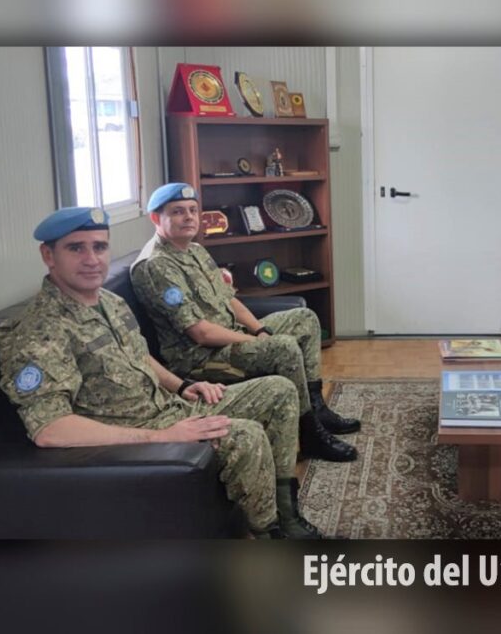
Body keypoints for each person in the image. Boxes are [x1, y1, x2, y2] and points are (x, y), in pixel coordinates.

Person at [0, 207, 320, 539]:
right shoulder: (38, 330)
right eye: (76, 248)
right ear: (48, 255)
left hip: (167, 406)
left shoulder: (110, 302)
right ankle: (268, 533)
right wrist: (162, 437)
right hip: (133, 433)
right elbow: (50, 429)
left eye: (99, 246)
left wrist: (182, 386)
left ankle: (287, 515)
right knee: (245, 436)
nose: (92, 259)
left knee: (278, 391)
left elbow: (139, 356)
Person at [130, 183, 358, 464]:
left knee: (304, 319)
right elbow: (200, 333)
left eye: (192, 210)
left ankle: (317, 409)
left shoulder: (194, 250)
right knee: (282, 348)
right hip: (200, 358)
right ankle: (310, 433)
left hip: (228, 337)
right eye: (177, 212)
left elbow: (229, 300)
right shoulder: (155, 266)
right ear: (156, 218)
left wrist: (260, 330)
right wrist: (257, 341)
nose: (189, 217)